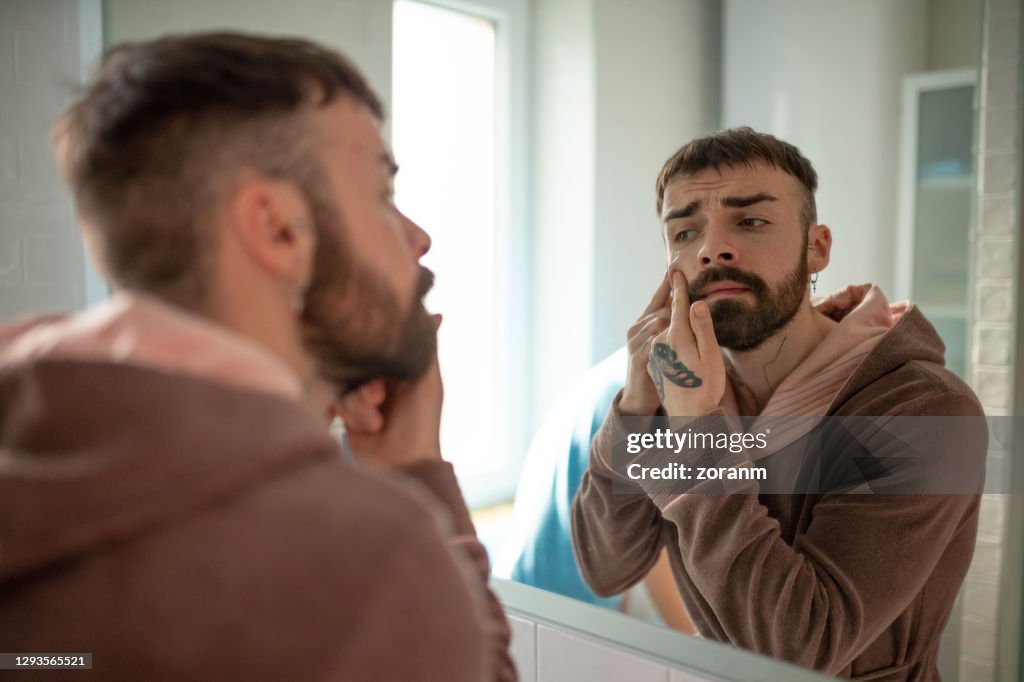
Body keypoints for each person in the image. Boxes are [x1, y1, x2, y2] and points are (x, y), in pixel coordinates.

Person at [0, 33, 514, 681]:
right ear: (277, 230)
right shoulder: (369, 559)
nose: (418, 237)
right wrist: (415, 473)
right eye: (382, 194)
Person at [572, 127, 986, 681]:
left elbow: (803, 649)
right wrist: (635, 408)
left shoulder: (928, 413)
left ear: (816, 248)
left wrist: (697, 434)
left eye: (750, 221)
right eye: (685, 231)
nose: (710, 248)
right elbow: (605, 568)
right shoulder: (681, 394)